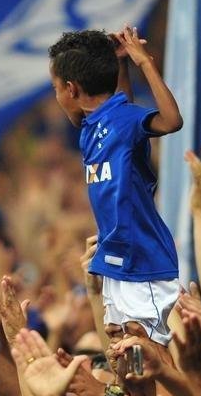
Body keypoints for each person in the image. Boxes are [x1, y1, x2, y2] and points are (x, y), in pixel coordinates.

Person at [48, 27, 183, 345]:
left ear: (70, 89)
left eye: (55, 88)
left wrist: (144, 64)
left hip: (143, 264)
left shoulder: (123, 121)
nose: (56, 97)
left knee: (155, 360)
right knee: (130, 367)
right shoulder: (90, 126)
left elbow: (171, 121)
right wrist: (121, 64)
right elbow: (121, 104)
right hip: (116, 265)